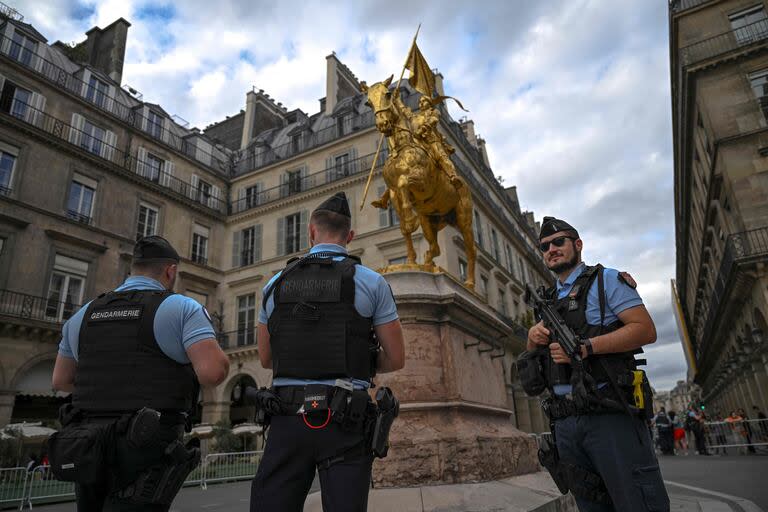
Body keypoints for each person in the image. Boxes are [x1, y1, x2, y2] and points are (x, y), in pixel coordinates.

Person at [251, 192, 405, 512]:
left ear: (311, 232)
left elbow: (267, 359)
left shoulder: (274, 285)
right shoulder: (372, 282)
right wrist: (362, 359)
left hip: (287, 420)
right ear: (350, 237)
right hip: (345, 421)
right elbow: (396, 357)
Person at [51, 235, 230, 511]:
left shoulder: (82, 315)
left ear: (131, 268)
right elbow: (213, 373)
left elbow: (60, 380)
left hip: (88, 445)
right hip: (146, 445)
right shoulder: (181, 307)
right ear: (171, 271)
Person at [526, 217, 669, 512]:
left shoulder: (607, 281)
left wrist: (587, 347)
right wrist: (532, 339)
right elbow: (537, 370)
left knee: (637, 503)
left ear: (577, 245)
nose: (551, 249)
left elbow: (645, 329)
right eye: (544, 246)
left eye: (558, 242)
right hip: (565, 423)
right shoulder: (548, 300)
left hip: (609, 414)